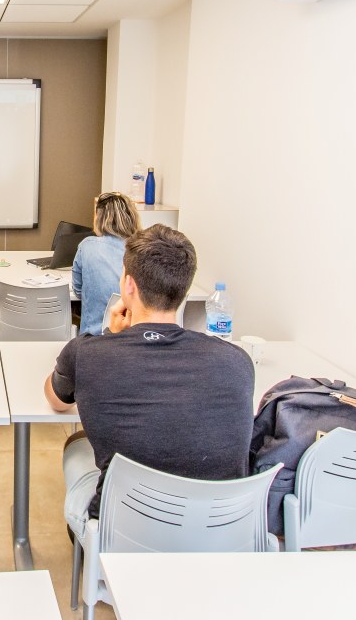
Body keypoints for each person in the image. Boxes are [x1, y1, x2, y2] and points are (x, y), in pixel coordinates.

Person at [44, 224, 254, 537]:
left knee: (76, 448)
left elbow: (55, 400)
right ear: (183, 288)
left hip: (123, 532)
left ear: (128, 284)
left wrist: (110, 337)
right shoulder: (236, 361)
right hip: (216, 532)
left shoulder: (87, 354)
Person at [71, 192, 141, 335]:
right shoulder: (142, 249)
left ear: (99, 219)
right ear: (131, 217)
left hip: (94, 338)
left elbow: (77, 290)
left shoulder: (87, 246)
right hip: (134, 337)